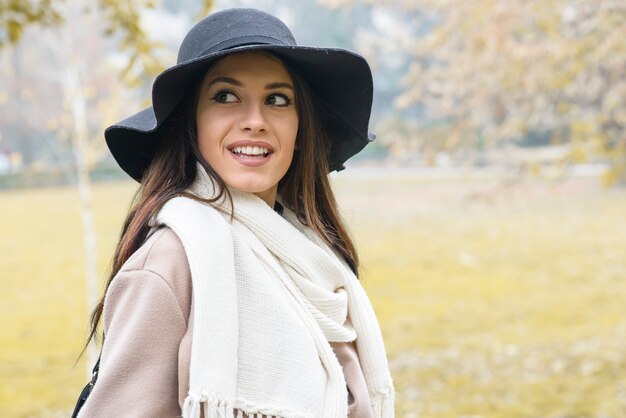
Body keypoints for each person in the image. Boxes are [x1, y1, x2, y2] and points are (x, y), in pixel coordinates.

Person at [76, 8, 394, 418]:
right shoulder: (170, 266)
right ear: (191, 123)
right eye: (225, 96)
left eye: (277, 100)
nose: (255, 121)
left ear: (300, 129)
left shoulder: (317, 263)